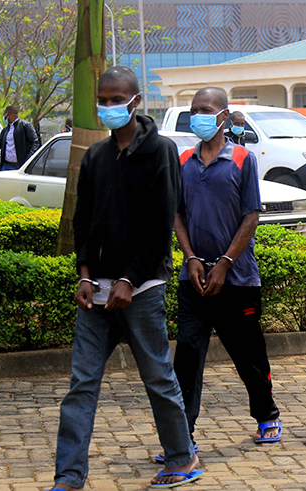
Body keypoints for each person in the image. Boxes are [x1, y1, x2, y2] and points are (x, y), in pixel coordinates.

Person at [49, 66, 202, 491]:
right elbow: (83, 222)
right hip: (96, 291)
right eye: (104, 99)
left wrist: (129, 280)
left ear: (135, 101)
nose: (109, 106)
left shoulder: (160, 151)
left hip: (143, 290)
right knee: (81, 385)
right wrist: (84, 275)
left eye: (117, 99)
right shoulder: (96, 156)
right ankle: (69, 476)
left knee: (157, 376)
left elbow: (159, 225)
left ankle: (181, 456)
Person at [171, 87, 282, 454]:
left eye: (206, 109)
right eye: (193, 110)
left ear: (223, 115)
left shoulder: (242, 159)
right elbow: (178, 215)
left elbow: (251, 216)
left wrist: (224, 263)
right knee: (186, 355)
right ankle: (181, 436)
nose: (198, 116)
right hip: (194, 280)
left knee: (247, 352)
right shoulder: (184, 160)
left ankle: (266, 414)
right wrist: (190, 258)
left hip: (236, 279)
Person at [0, 105, 39, 171]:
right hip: (6, 166)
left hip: (20, 166)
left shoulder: (25, 126)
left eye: (4, 115)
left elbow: (35, 143)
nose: (4, 118)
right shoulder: (5, 130)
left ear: (8, 115)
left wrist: (29, 159)